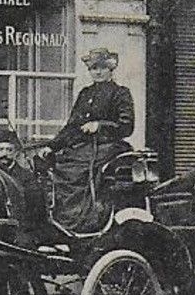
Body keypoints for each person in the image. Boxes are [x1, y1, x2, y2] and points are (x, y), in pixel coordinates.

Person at [46, 46, 138, 233]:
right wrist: (52, 146)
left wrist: (100, 126)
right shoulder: (85, 94)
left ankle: (83, 219)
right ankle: (60, 215)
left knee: (77, 168)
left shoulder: (120, 93)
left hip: (109, 145)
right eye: (93, 68)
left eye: (101, 67)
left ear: (111, 69)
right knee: (58, 162)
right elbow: (72, 126)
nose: (97, 72)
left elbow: (126, 126)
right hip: (84, 146)